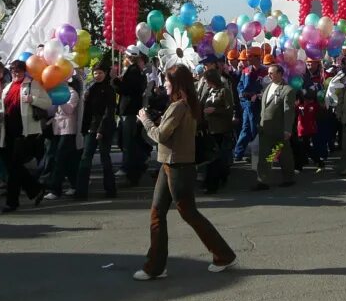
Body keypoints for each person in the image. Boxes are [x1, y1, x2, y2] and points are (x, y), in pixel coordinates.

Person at [134, 64, 237, 280]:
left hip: (178, 165)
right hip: (170, 163)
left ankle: (223, 254)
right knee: (158, 213)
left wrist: (145, 120)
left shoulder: (180, 106)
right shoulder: (186, 104)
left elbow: (161, 135)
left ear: (177, 84)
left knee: (188, 213)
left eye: (168, 82)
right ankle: (155, 265)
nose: (165, 85)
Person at [0, 60, 47, 212]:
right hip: (9, 131)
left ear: (24, 71)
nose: (16, 73)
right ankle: (35, 189)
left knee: (14, 166)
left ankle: (12, 202)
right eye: (13, 70)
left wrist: (32, 99)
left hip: (25, 132)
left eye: (19, 70)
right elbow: (5, 105)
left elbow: (47, 102)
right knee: (14, 166)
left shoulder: (32, 84)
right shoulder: (8, 86)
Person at [77, 61, 118, 199]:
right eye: (95, 73)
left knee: (104, 158)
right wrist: (85, 128)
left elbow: (109, 111)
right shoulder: (92, 89)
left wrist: (101, 130)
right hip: (91, 127)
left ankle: (110, 189)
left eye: (100, 73)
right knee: (85, 158)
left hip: (104, 128)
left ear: (105, 74)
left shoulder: (109, 90)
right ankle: (81, 191)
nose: (97, 75)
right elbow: (87, 112)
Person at [196, 57, 237, 193]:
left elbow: (229, 108)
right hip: (210, 128)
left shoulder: (224, 91)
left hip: (220, 128)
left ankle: (214, 182)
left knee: (217, 158)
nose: (206, 83)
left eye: (208, 81)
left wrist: (215, 110)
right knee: (210, 157)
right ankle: (211, 179)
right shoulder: (210, 91)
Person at [256, 64, 297, 189]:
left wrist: (287, 129)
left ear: (280, 74)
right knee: (265, 155)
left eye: (272, 73)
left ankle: (289, 177)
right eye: (268, 73)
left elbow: (288, 111)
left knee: (283, 155)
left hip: (279, 130)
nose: (269, 75)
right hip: (266, 128)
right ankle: (262, 180)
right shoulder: (268, 87)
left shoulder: (287, 90)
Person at [114, 51, 149, 186]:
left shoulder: (133, 71)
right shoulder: (133, 71)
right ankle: (138, 162)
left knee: (128, 140)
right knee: (127, 140)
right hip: (128, 110)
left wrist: (115, 81)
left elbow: (128, 90)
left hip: (129, 110)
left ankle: (130, 166)